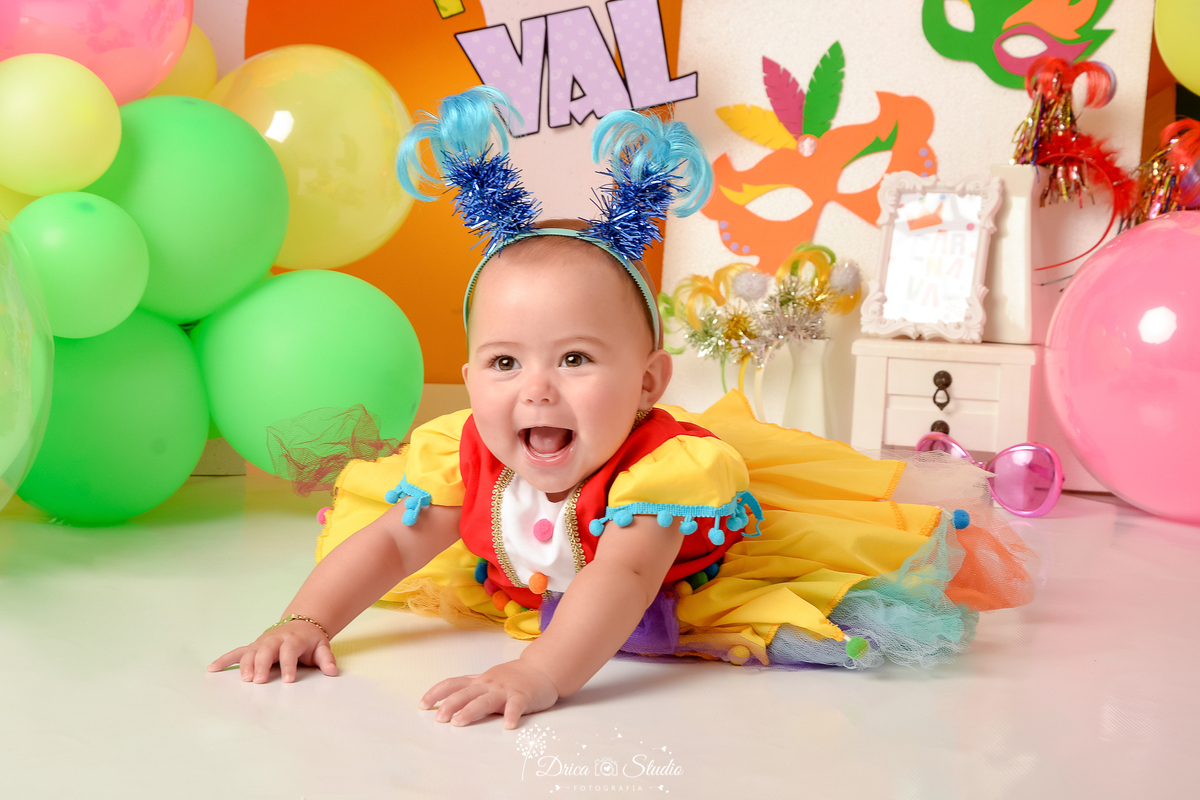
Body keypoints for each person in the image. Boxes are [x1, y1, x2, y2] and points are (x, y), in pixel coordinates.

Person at [209, 88, 1036, 729]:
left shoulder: (663, 474)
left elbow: (623, 574)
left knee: (771, 592)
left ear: (648, 383)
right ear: (468, 376)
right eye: (505, 362)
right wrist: (304, 620)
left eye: (575, 359)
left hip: (680, 585)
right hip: (537, 579)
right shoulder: (461, 455)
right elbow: (391, 540)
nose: (536, 388)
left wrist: (540, 673)